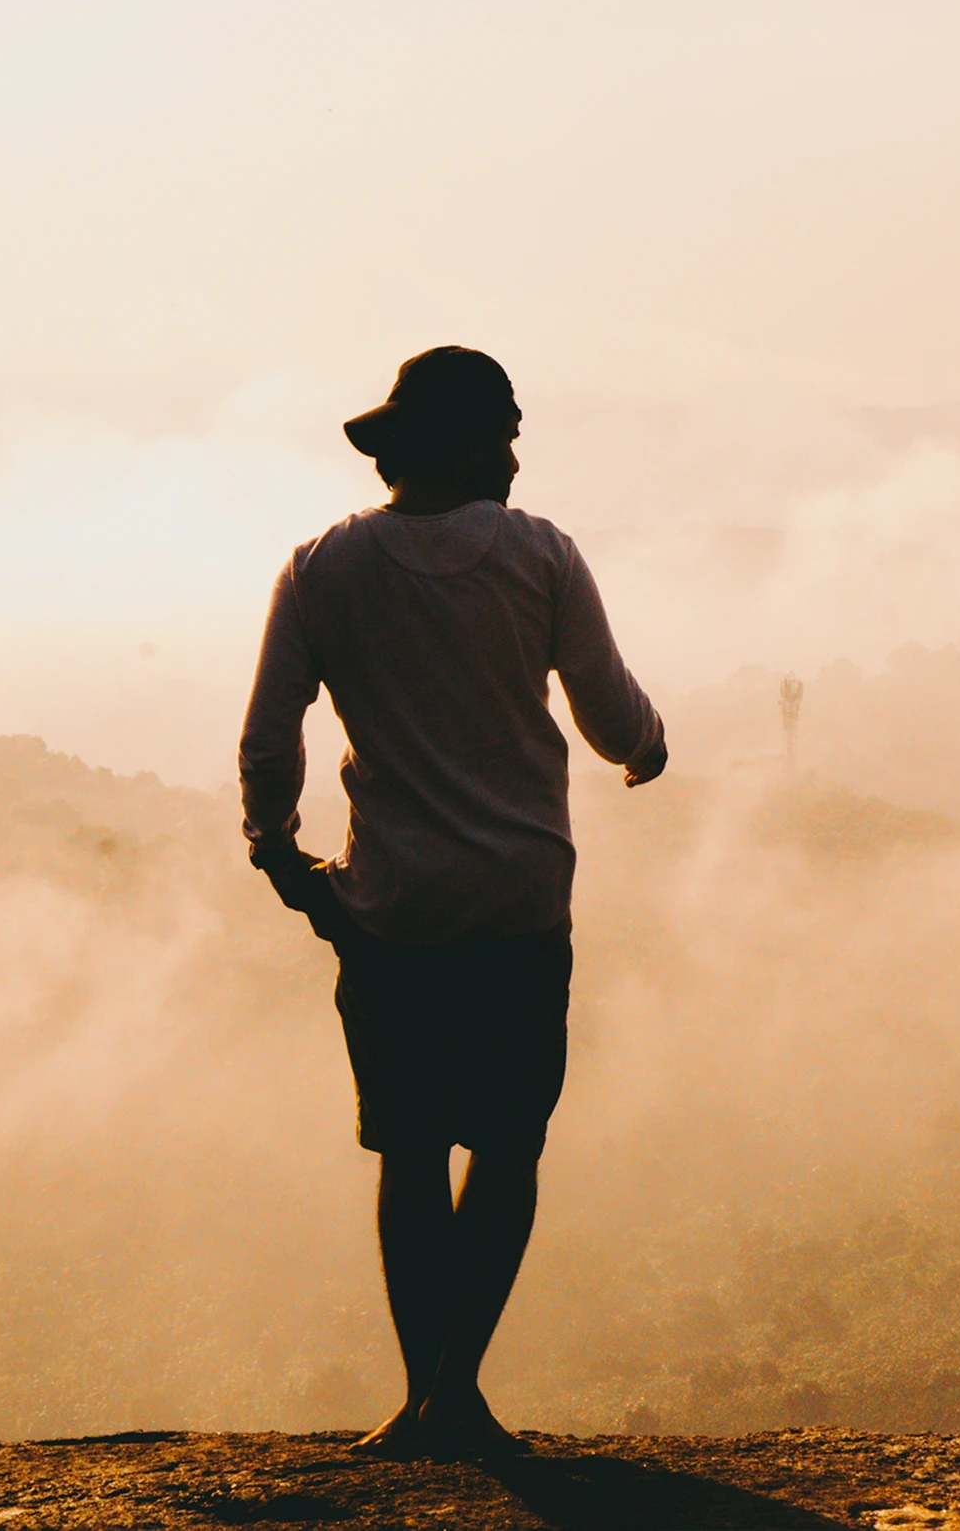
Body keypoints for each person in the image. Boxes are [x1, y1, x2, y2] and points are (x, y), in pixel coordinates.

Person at [237, 345, 667, 1458]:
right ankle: (457, 1393)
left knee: (412, 1148)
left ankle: (421, 1395)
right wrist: (646, 751)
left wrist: (280, 858)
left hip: (391, 910)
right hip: (518, 902)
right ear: (473, 443)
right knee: (508, 1143)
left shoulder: (322, 568)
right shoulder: (538, 558)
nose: (518, 456)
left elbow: (269, 731)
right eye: (508, 433)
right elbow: (608, 710)